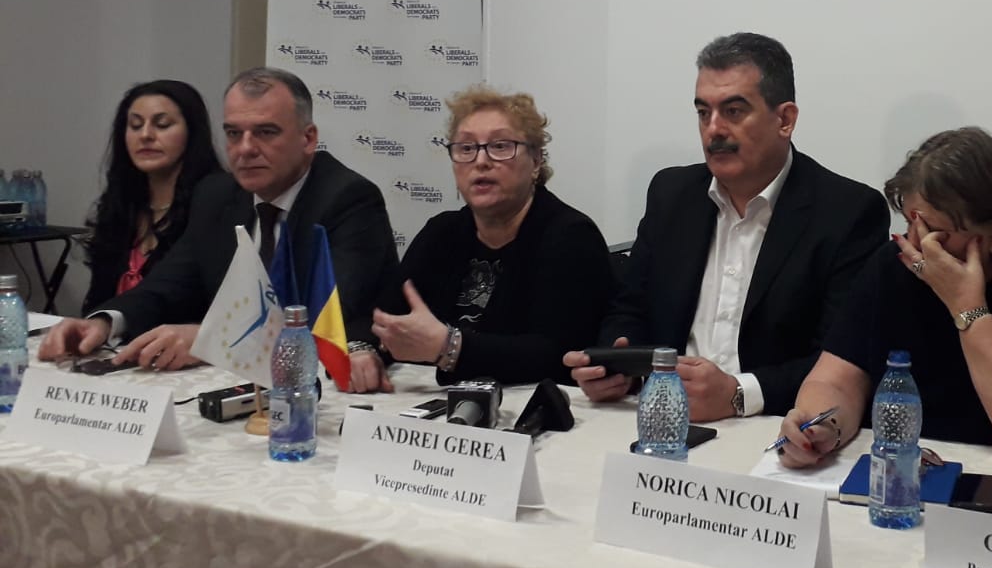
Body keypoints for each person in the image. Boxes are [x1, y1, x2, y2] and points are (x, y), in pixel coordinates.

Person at [564, 32, 887, 421]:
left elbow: (844, 360)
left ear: (785, 120)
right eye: (703, 113)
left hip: (772, 425)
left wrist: (738, 394)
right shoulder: (672, 194)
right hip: (663, 417)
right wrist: (618, 362)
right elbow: (630, 307)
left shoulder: (847, 212)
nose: (713, 129)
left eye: (733, 111)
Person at [41, 67, 399, 392]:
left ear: (307, 139)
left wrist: (210, 341)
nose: (245, 149)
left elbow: (328, 317)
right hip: (238, 385)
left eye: (265, 132)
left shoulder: (348, 198)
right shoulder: (217, 195)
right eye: (233, 133)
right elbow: (167, 286)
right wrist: (104, 323)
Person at [774, 127, 992, 465]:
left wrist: (966, 306)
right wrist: (821, 426)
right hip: (909, 465)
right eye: (910, 223)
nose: (917, 244)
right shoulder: (892, 266)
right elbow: (837, 380)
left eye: (934, 231)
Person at [371, 86, 612, 386]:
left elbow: (558, 354)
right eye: (466, 148)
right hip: (435, 405)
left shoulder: (571, 236)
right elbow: (383, 317)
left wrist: (450, 348)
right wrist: (363, 351)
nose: (481, 161)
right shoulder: (442, 232)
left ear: (536, 161)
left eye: (500, 146)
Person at [82, 79, 225, 311]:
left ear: (192, 132)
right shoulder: (120, 204)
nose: (146, 135)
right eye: (135, 126)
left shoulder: (215, 202)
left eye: (162, 124)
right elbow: (96, 301)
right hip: (113, 333)